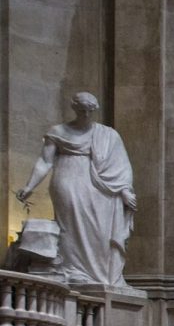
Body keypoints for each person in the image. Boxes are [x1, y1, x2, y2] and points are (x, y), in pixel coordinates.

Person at [13, 91, 137, 289]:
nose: (86, 115)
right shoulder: (58, 131)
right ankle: (72, 269)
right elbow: (45, 162)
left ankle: (99, 274)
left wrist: (123, 190)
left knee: (99, 231)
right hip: (68, 182)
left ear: (94, 110)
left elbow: (121, 166)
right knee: (70, 227)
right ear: (75, 109)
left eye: (89, 111)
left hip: (102, 188)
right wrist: (29, 186)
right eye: (82, 111)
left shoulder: (108, 135)